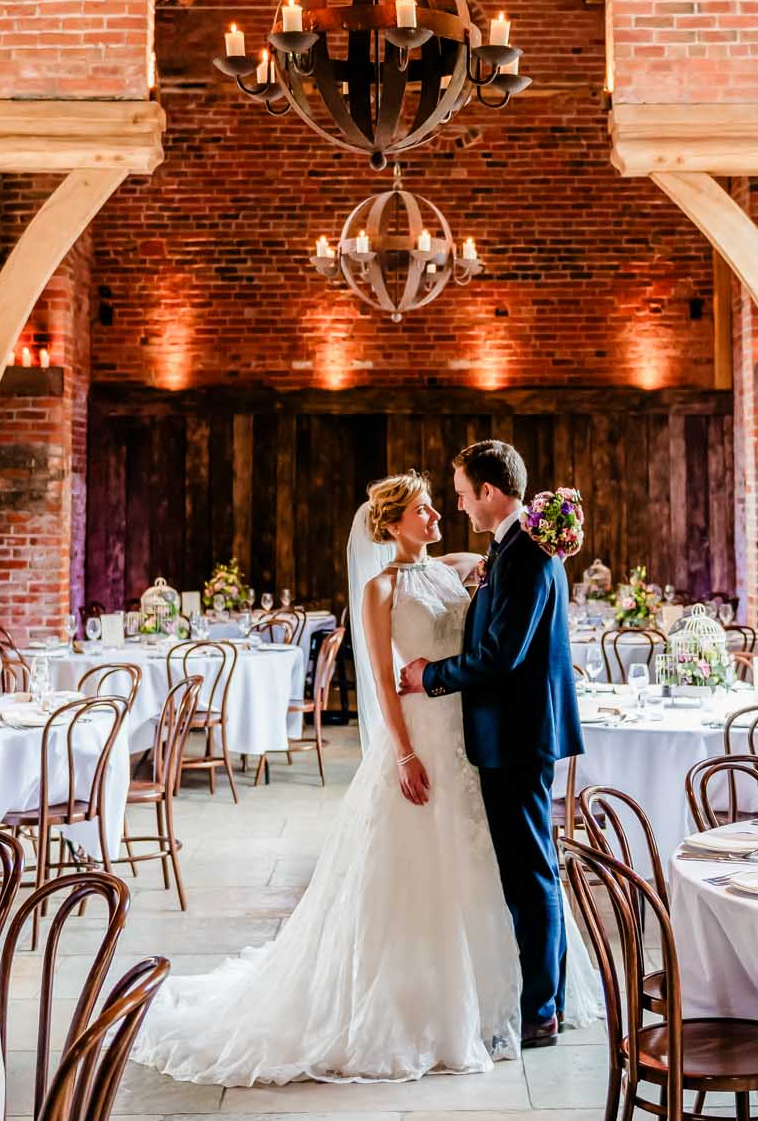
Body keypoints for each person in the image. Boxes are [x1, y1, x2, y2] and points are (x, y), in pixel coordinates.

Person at [131, 468, 597, 1086]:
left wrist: (488, 569)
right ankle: (428, 1001)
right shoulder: (380, 589)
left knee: (488, 868)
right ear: (392, 524)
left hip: (473, 738)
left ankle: (505, 995)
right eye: (427, 509)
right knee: (427, 869)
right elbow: (382, 682)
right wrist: (403, 753)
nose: (440, 515)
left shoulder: (458, 566)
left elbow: (497, 581)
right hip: (426, 737)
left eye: (445, 502)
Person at [401, 438, 583, 1047]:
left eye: (461, 495)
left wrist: (430, 676)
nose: (458, 507)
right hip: (508, 734)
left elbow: (501, 657)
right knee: (526, 871)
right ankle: (540, 998)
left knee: (531, 875)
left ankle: (541, 1010)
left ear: (489, 491)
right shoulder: (510, 550)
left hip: (517, 735)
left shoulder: (527, 553)